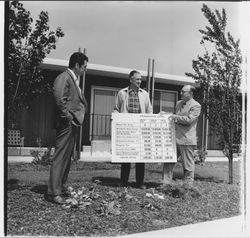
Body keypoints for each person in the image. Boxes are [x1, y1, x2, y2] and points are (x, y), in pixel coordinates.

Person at [47, 52, 88, 204]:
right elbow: (59, 98)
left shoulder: (73, 79)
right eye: (84, 66)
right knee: (60, 157)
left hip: (72, 124)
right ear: (76, 65)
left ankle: (61, 186)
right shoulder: (64, 77)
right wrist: (69, 117)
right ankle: (53, 192)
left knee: (67, 157)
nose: (85, 70)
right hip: (66, 124)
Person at [114, 70, 153, 189]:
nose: (140, 81)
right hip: (127, 129)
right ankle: (123, 181)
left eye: (141, 79)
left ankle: (140, 182)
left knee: (140, 157)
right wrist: (115, 118)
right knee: (126, 156)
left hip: (140, 128)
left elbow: (149, 110)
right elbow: (116, 108)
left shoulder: (144, 94)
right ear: (131, 80)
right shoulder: (122, 93)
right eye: (137, 79)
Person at [169, 85, 201, 185]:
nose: (181, 93)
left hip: (186, 139)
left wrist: (175, 117)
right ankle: (166, 183)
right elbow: (175, 117)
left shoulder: (196, 105)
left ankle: (188, 188)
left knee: (188, 166)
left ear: (190, 94)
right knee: (169, 161)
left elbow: (189, 120)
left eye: (183, 92)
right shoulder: (179, 103)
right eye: (181, 91)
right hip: (174, 138)